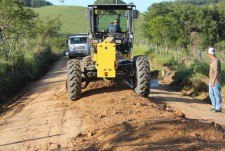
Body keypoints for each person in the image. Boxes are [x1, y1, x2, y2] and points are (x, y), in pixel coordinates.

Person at [208, 47, 222, 112]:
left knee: (217, 94)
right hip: (211, 80)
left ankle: (218, 108)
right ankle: (214, 106)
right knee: (211, 93)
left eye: (208, 54)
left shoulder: (216, 61)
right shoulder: (212, 61)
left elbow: (216, 71)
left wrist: (213, 81)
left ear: (210, 54)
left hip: (215, 81)